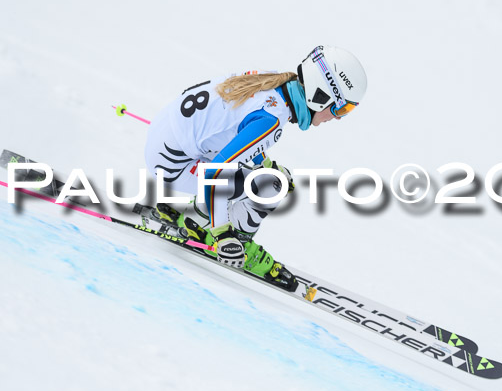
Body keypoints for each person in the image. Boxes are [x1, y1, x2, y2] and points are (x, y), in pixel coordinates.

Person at [144, 46, 367, 291]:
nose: (337, 117)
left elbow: (237, 128)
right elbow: (215, 171)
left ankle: (198, 214)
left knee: (268, 178)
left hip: (166, 139)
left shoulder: (273, 82)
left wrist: (265, 163)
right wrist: (223, 234)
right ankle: (234, 238)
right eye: (341, 108)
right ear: (321, 94)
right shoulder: (272, 119)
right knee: (271, 187)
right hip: (174, 164)